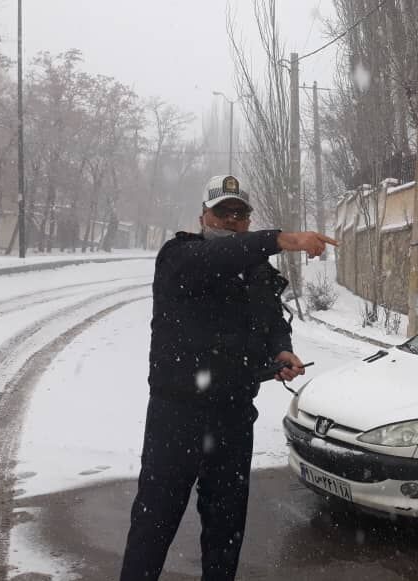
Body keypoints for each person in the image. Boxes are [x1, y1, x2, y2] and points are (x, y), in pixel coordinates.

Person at [120, 175, 337, 581]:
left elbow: (272, 319)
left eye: (240, 214)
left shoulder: (253, 270)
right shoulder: (179, 256)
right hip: (176, 416)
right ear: (203, 215)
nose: (232, 221)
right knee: (155, 522)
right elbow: (218, 257)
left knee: (225, 528)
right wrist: (282, 240)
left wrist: (280, 349)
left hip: (234, 415)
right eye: (223, 212)